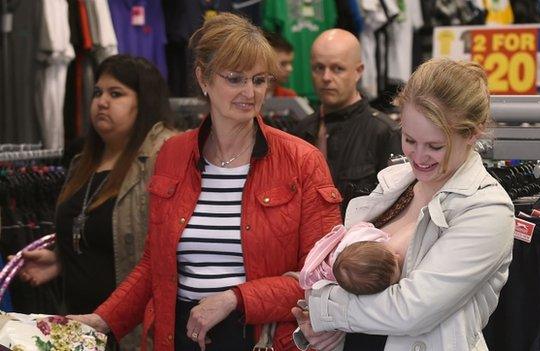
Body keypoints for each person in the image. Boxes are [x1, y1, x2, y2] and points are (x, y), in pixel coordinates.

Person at [70, 13, 342, 351]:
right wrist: (103, 320)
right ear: (203, 78)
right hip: (180, 334)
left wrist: (235, 298)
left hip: (259, 338)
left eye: (259, 80)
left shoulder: (301, 160)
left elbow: (321, 277)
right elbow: (155, 264)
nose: (249, 92)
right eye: (235, 78)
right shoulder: (172, 154)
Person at [292, 58, 515, 351]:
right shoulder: (396, 183)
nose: (418, 156)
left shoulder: (487, 210)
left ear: (473, 133)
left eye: (436, 146)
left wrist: (325, 310)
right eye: (409, 139)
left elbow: (411, 311)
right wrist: (324, 327)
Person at [16, 54, 178, 350]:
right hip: (80, 331)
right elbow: (98, 235)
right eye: (97, 93)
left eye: (116, 94)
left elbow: (163, 252)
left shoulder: (163, 157)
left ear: (144, 103)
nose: (102, 101)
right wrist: (62, 259)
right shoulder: (82, 163)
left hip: (134, 332)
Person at [293, 29, 402, 211]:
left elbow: (398, 207)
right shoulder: (300, 131)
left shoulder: (385, 133)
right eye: (319, 68)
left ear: (358, 71)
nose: (326, 77)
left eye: (338, 68)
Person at [299, 222, 402, 295]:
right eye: (397, 269)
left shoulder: (368, 237)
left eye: (394, 257)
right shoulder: (378, 240)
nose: (398, 257)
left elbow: (361, 227)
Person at [265, 31, 297, 98]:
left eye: (290, 63)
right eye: (283, 64)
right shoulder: (250, 95)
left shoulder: (289, 97)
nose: (290, 69)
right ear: (265, 63)